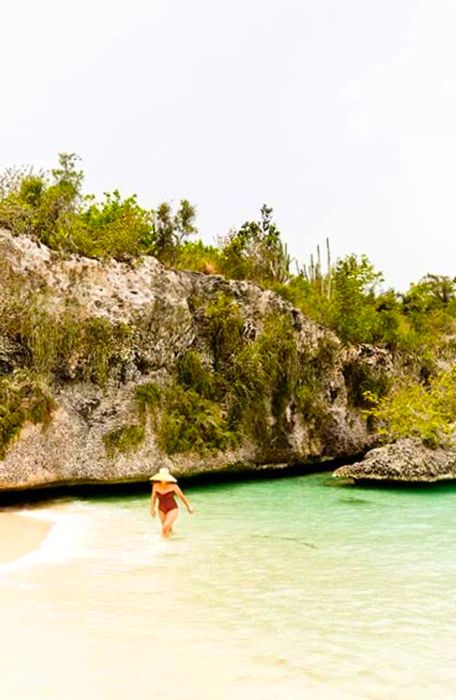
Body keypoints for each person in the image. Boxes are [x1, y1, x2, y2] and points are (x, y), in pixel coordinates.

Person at [150, 467, 193, 537]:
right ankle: (171, 544)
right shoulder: (155, 485)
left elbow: (181, 496)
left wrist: (188, 506)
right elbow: (153, 497)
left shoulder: (173, 485)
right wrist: (152, 509)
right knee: (167, 528)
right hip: (161, 509)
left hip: (172, 508)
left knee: (165, 527)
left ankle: (164, 544)